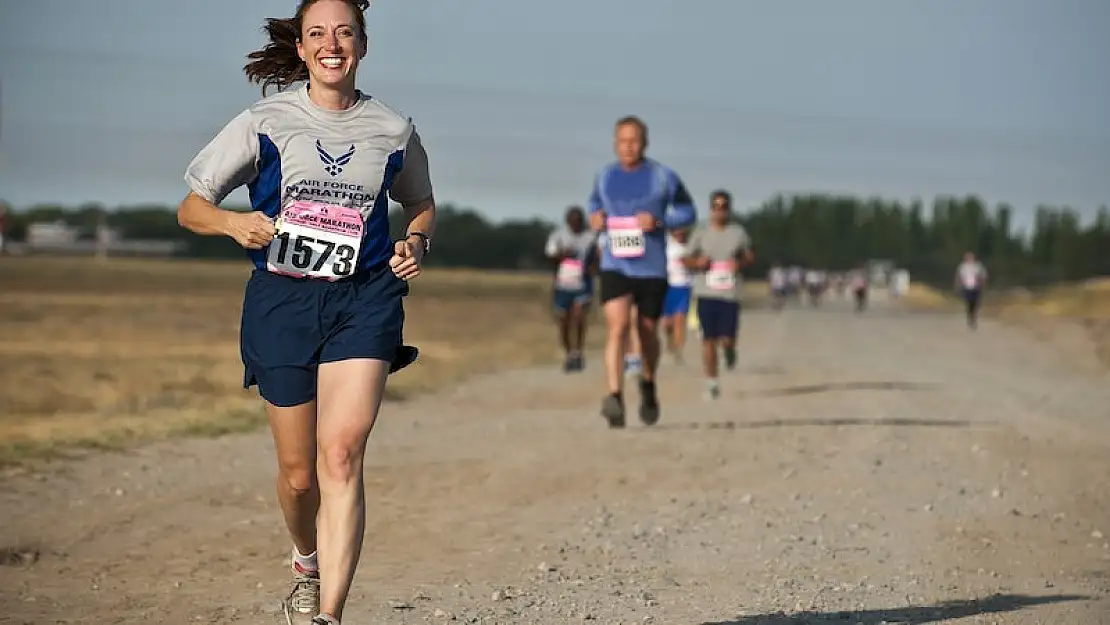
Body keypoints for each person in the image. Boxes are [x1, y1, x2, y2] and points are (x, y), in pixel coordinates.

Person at [176, 2, 436, 624]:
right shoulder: (265, 121)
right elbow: (191, 208)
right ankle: (305, 561)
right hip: (283, 301)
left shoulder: (393, 129)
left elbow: (421, 201)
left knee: (342, 453)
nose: (331, 43)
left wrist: (416, 241)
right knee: (299, 477)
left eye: (344, 32)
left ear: (362, 45)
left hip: (364, 298)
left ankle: (328, 616)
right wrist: (235, 223)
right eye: (317, 33)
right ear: (300, 47)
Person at [588, 115, 698, 428]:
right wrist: (595, 217)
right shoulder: (605, 176)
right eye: (623, 141)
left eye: (634, 140)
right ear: (614, 143)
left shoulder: (663, 176)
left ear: (645, 143)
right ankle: (614, 396)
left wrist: (660, 222)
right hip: (615, 264)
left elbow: (688, 211)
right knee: (618, 326)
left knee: (647, 331)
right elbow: (594, 205)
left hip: (651, 267)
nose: (628, 146)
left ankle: (648, 383)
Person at [683, 190, 754, 400]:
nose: (720, 211)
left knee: (727, 339)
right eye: (716, 206)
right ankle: (712, 382)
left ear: (729, 209)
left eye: (724, 207)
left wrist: (739, 264)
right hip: (706, 291)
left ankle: (730, 351)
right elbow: (685, 258)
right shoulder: (701, 232)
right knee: (708, 340)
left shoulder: (738, 233)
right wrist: (697, 263)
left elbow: (750, 256)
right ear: (711, 208)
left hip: (729, 294)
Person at [544, 205, 599, 372]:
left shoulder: (590, 237)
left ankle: (578, 351)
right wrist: (562, 255)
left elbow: (598, 255)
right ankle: (568, 353)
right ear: (567, 221)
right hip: (562, 284)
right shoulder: (557, 236)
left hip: (582, 284)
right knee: (564, 321)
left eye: (579, 221)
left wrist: (594, 269)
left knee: (579, 316)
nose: (576, 224)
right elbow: (549, 257)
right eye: (573, 221)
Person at [661, 227, 694, 364]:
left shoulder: (691, 245)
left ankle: (679, 351)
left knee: (680, 319)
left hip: (684, 286)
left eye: (682, 229)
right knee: (667, 323)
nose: (680, 232)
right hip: (667, 286)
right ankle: (670, 342)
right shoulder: (665, 243)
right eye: (676, 229)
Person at [955, 251, 988, 329]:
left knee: (976, 303)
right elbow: (959, 276)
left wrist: (982, 284)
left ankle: (973, 315)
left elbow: (983, 275)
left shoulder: (978, 266)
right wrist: (958, 285)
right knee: (969, 302)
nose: (969, 259)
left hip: (976, 287)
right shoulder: (962, 267)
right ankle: (971, 316)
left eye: (971, 257)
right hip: (966, 287)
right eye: (968, 257)